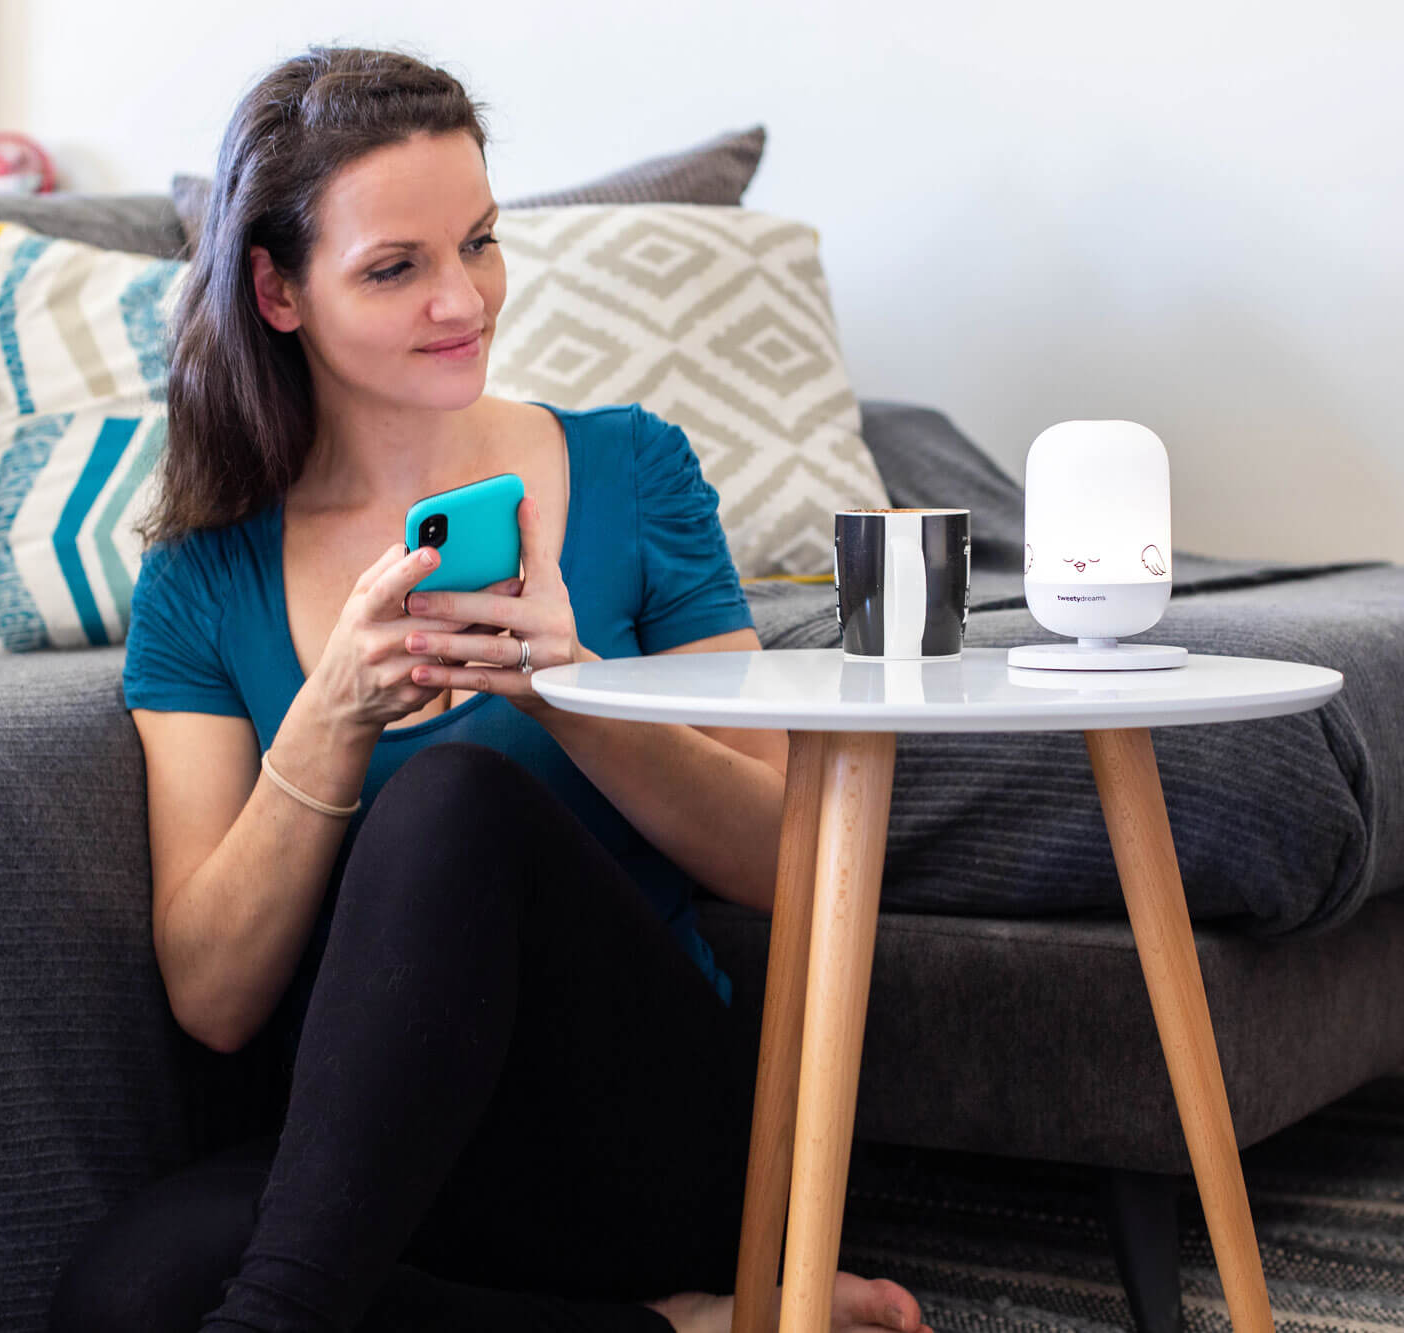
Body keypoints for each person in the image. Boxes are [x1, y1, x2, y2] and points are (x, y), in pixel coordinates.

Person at [46, 46, 936, 1333]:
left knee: (454, 802)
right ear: (278, 292)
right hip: (384, 1160)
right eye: (394, 268)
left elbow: (786, 858)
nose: (462, 299)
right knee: (122, 1298)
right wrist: (330, 717)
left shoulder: (631, 470)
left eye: (477, 242)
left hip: (634, 1135)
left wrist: (566, 695)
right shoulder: (204, 572)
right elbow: (214, 999)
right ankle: (680, 1327)